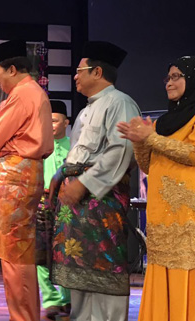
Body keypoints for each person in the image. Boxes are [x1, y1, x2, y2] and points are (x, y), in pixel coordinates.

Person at [49, 41, 141, 321]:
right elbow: (76, 155)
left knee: (104, 268)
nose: (75, 76)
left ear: (97, 72)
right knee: (81, 272)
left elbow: (120, 150)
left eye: (80, 71)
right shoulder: (86, 110)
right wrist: (60, 178)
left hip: (101, 201)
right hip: (78, 203)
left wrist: (84, 183)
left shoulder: (121, 103)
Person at [0, 40, 54, 321]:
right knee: (18, 252)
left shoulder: (22, 93)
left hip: (15, 175)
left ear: (13, 69)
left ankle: (23, 316)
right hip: (22, 173)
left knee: (15, 254)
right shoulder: (32, 92)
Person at [117, 56, 195, 321]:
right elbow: (149, 165)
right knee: (160, 267)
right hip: (160, 212)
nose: (169, 83)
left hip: (187, 215)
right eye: (168, 78)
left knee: (185, 270)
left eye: (177, 77)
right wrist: (140, 142)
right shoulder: (163, 124)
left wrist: (150, 138)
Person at [35, 100, 71, 320]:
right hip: (41, 202)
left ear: (66, 123)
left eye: (55, 120)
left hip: (67, 204)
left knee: (67, 252)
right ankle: (51, 300)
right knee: (41, 254)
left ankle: (67, 299)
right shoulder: (38, 146)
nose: (50, 125)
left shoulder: (75, 147)